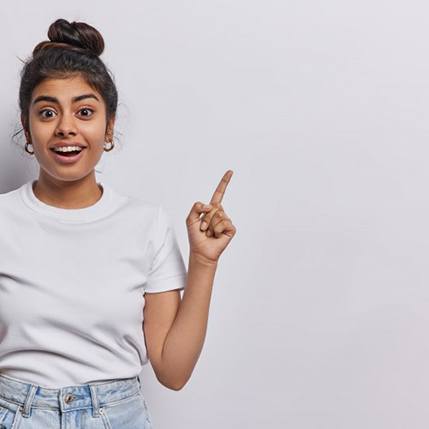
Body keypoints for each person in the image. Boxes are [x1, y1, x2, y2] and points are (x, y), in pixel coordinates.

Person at [0, 18, 236, 429]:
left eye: (85, 111)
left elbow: (172, 371)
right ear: (27, 127)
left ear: (108, 127)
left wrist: (204, 262)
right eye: (48, 112)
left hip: (117, 417)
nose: (66, 127)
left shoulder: (146, 224)